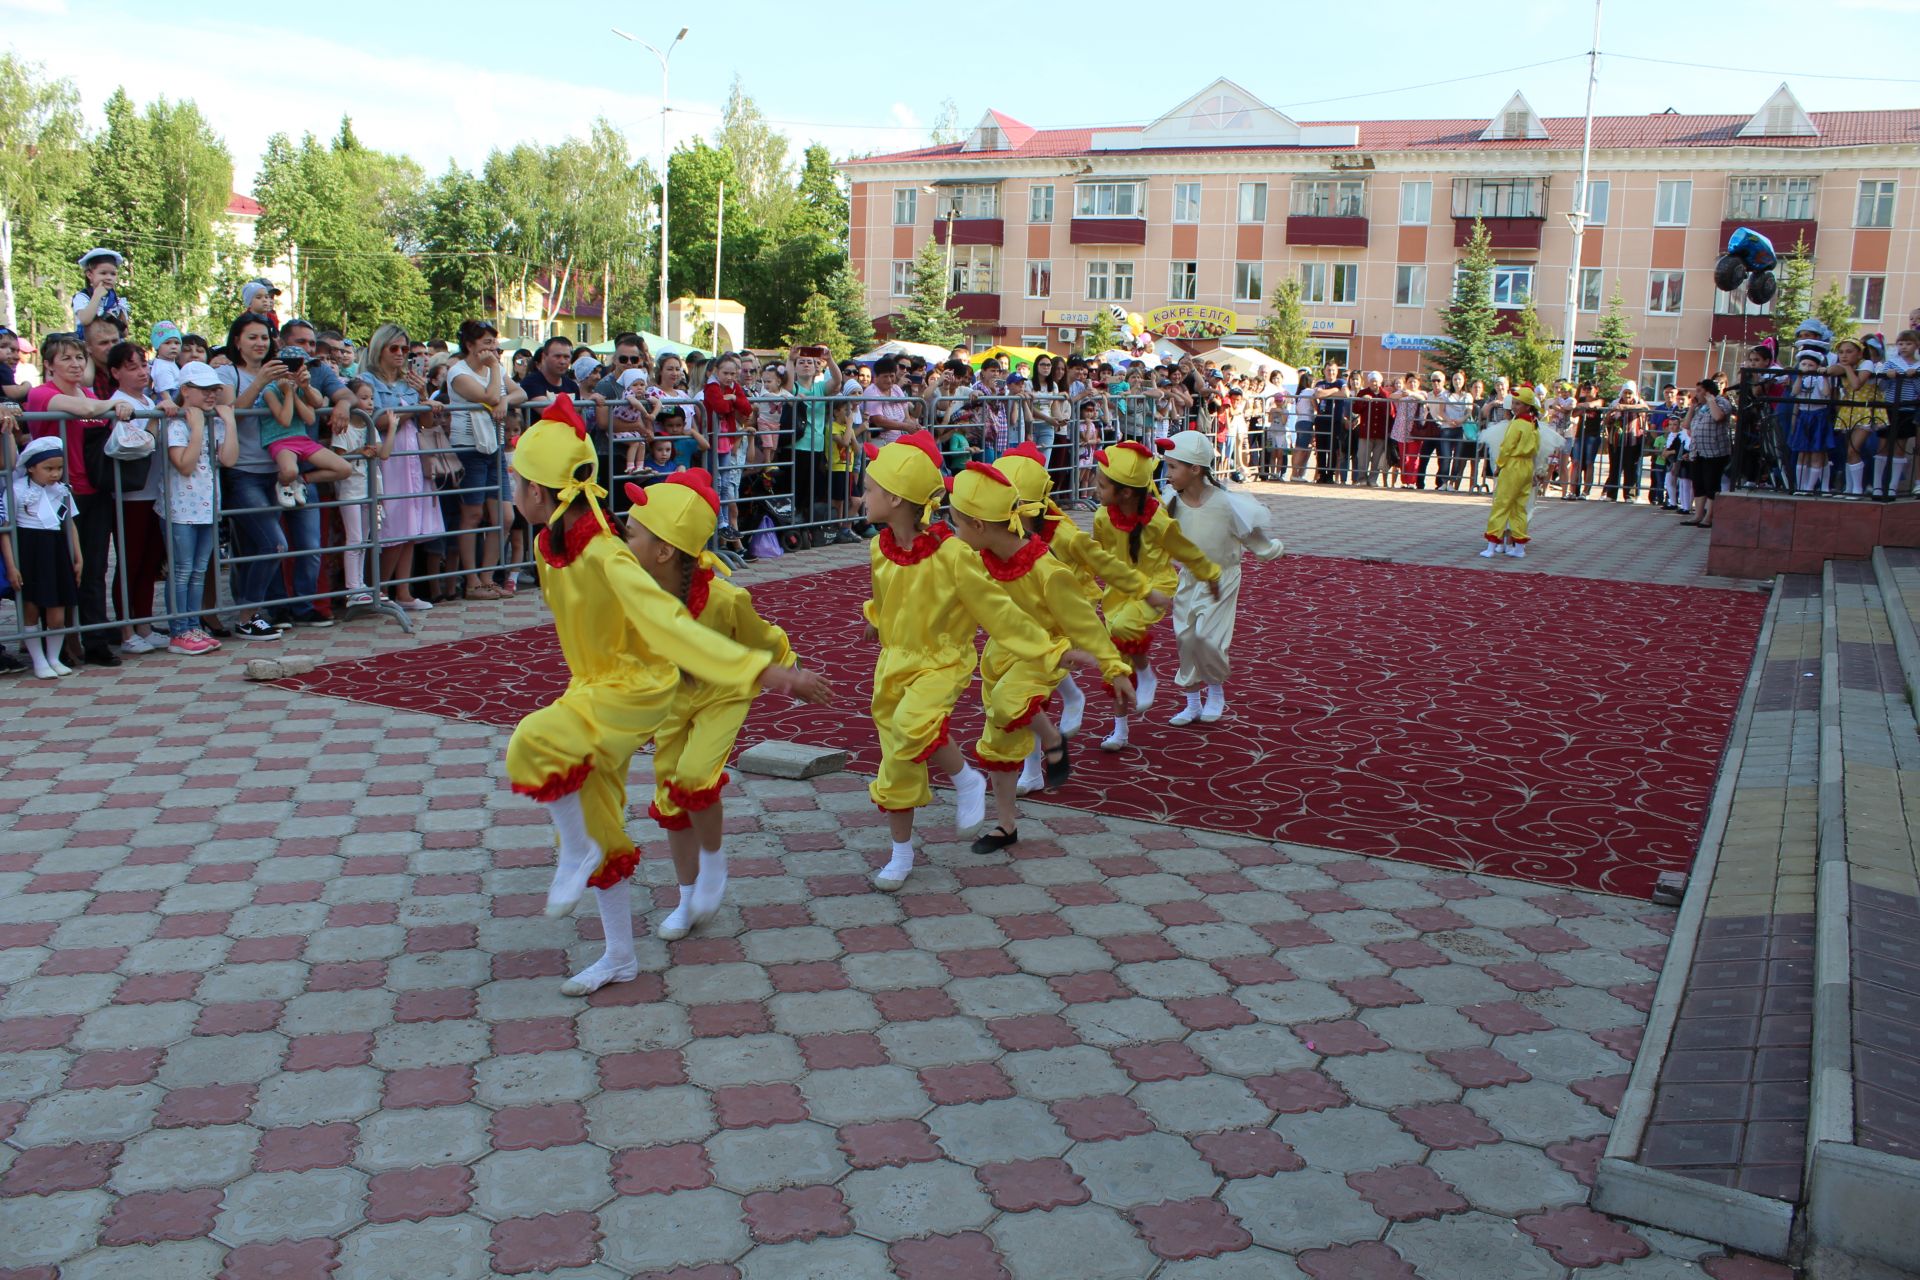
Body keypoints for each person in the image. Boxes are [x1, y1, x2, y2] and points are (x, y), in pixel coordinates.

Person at [503, 398, 825, 994]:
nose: (510, 489)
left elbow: (669, 626)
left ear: (540, 491)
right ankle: (619, 954)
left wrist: (774, 673)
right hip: (601, 687)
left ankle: (582, 852)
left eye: (515, 479)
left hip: (634, 687)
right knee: (601, 820)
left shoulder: (603, 552)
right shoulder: (555, 543)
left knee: (534, 740)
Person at [858, 430, 1070, 891]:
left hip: (941, 660)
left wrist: (1051, 648)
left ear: (895, 498)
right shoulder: (879, 549)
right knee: (896, 759)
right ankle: (900, 853)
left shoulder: (952, 554)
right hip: (893, 663)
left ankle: (966, 779)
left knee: (916, 723)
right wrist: (876, 619)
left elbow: (998, 610)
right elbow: (882, 597)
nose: (863, 495)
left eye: (870, 488)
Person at [621, 468, 823, 942]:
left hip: (722, 695)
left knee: (695, 778)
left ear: (665, 550)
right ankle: (687, 896)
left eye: (631, 534)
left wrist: (791, 673)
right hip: (673, 703)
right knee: (670, 798)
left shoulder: (726, 598)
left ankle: (713, 862)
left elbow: (764, 638)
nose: (622, 542)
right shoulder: (636, 594)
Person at [945, 460, 1132, 850]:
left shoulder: (1048, 571)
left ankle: (1052, 738)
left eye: (957, 524)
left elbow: (1084, 623)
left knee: (1006, 702)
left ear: (979, 525)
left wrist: (1113, 668)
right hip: (1001, 653)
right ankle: (1007, 826)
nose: (954, 533)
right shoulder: (979, 560)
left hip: (1046, 653)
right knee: (998, 740)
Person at [1091, 440, 1221, 752]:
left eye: (1102, 485)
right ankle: (1120, 729)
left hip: (1155, 587)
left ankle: (1146, 673)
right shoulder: (1102, 517)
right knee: (1116, 661)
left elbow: (1186, 551)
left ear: (1125, 492)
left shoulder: (1158, 521)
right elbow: (1096, 554)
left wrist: (1210, 574)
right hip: (1118, 592)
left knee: (1124, 627)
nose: (1096, 490)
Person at [24, 332, 138, 666]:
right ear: (48, 365)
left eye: (78, 358)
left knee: (95, 568)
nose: (75, 364)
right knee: (60, 570)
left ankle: (96, 640)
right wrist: (115, 403)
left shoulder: (89, 392)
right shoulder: (42, 394)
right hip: (56, 495)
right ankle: (58, 644)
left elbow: (95, 408)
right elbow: (87, 408)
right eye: (66, 359)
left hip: (93, 489)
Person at [1156, 431, 1284, 726]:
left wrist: (1272, 550)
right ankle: (1191, 701)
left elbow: (1253, 537)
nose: (1168, 473)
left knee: (1207, 638)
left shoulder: (1226, 503)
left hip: (1222, 579)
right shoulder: (1171, 501)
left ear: (1195, 469)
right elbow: (1160, 538)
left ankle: (1215, 690)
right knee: (1185, 638)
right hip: (1189, 578)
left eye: (1173, 467)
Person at [362, 323, 442, 612]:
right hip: (386, 455)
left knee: (412, 523)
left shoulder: (411, 382)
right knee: (391, 525)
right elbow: (379, 421)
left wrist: (424, 400)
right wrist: (417, 408)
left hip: (411, 453)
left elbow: (426, 424)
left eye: (404, 349)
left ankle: (404, 591)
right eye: (393, 348)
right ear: (379, 349)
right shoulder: (367, 380)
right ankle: (379, 590)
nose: (400, 354)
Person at [162, 363, 239, 653]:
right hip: (181, 508)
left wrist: (229, 423)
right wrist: (196, 430)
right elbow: (184, 464)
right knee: (182, 570)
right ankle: (179, 629)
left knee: (198, 569)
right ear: (185, 390)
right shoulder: (177, 424)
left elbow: (229, 459)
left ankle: (193, 625)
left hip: (208, 506)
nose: (211, 395)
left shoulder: (214, 421)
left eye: (214, 389)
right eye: (204, 389)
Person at [446, 320, 526, 600]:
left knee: (505, 516)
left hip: (493, 447)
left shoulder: (494, 369)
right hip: (469, 448)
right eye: (486, 343)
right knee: (473, 515)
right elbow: (490, 395)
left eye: (494, 342)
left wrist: (505, 401)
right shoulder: (458, 372)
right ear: (470, 345)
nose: (493, 349)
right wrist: (495, 374)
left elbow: (518, 392)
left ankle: (487, 577)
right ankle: (471, 582)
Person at [102, 341, 173, 654]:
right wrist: (156, 419)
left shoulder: (148, 399)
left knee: (148, 562)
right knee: (130, 562)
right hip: (130, 495)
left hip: (153, 493)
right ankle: (127, 629)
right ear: (116, 372)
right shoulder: (117, 404)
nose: (142, 372)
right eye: (132, 367)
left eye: (144, 365)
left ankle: (143, 624)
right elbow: (137, 444)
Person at [7, 437, 82, 677]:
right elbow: (5, 532)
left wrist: (78, 555)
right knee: (31, 608)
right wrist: (11, 566)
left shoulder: (61, 490)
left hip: (56, 550)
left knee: (57, 611)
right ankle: (38, 660)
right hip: (29, 552)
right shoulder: (17, 491)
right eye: (48, 468)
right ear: (31, 467)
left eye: (59, 468)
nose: (55, 474)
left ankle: (53, 657)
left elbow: (69, 523)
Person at [261, 346, 354, 508]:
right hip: (280, 441)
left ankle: (300, 481)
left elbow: (310, 417)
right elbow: (285, 420)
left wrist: (304, 388)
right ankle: (283, 483)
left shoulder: (304, 389)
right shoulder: (269, 390)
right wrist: (289, 393)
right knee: (290, 470)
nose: (295, 372)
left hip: (303, 439)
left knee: (344, 468)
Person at [1481, 386, 1544, 558]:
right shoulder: (1533, 424)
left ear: (1527, 406)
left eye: (1518, 404)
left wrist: (1499, 465)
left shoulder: (1517, 424)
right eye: (1514, 403)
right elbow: (1537, 448)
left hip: (1513, 466)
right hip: (1526, 467)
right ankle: (1519, 549)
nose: (1514, 407)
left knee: (1501, 504)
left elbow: (1507, 446)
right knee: (1519, 507)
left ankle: (1491, 547)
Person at [702, 353, 754, 546]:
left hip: (726, 439)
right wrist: (731, 400)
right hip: (711, 439)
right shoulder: (712, 386)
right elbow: (720, 406)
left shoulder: (733, 387)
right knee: (715, 481)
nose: (730, 377)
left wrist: (732, 397)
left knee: (724, 482)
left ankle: (723, 522)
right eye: (726, 373)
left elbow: (746, 408)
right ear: (716, 371)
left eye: (733, 373)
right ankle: (718, 520)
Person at [1681, 378, 1733, 529]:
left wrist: (1711, 400)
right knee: (1699, 484)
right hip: (1698, 452)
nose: (1696, 394)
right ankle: (1698, 515)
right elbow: (1686, 425)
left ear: (1708, 391)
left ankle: (1709, 517)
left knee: (1711, 484)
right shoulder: (1699, 407)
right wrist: (1691, 408)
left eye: (1699, 391)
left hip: (1715, 452)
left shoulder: (1721, 402)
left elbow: (1718, 417)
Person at [1787, 346, 1835, 495]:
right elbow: (1794, 393)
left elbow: (1826, 393)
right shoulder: (1801, 379)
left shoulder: (1820, 379)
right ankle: (1800, 486)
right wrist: (1799, 377)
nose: (1807, 367)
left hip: (1818, 416)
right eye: (1804, 364)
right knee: (1802, 452)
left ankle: (1810, 487)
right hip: (1803, 416)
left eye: (1811, 365)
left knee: (1816, 451)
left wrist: (1825, 377)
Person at [1879, 330, 1920, 501]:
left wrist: (1914, 377)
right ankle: (1878, 486)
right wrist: (1887, 377)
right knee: (1882, 446)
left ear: (1916, 345)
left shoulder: (1918, 365)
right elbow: (1882, 387)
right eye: (1901, 343)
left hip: (1906, 410)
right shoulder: (1891, 363)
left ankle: (1892, 487)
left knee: (1899, 447)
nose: (1904, 347)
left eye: (1908, 343)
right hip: (1889, 408)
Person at [71, 248, 128, 332]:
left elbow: (125, 333)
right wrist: (97, 296)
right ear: (89, 275)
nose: (109, 278)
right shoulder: (82, 297)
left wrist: (114, 321)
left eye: (113, 274)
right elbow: (85, 320)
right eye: (103, 273)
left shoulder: (117, 301)